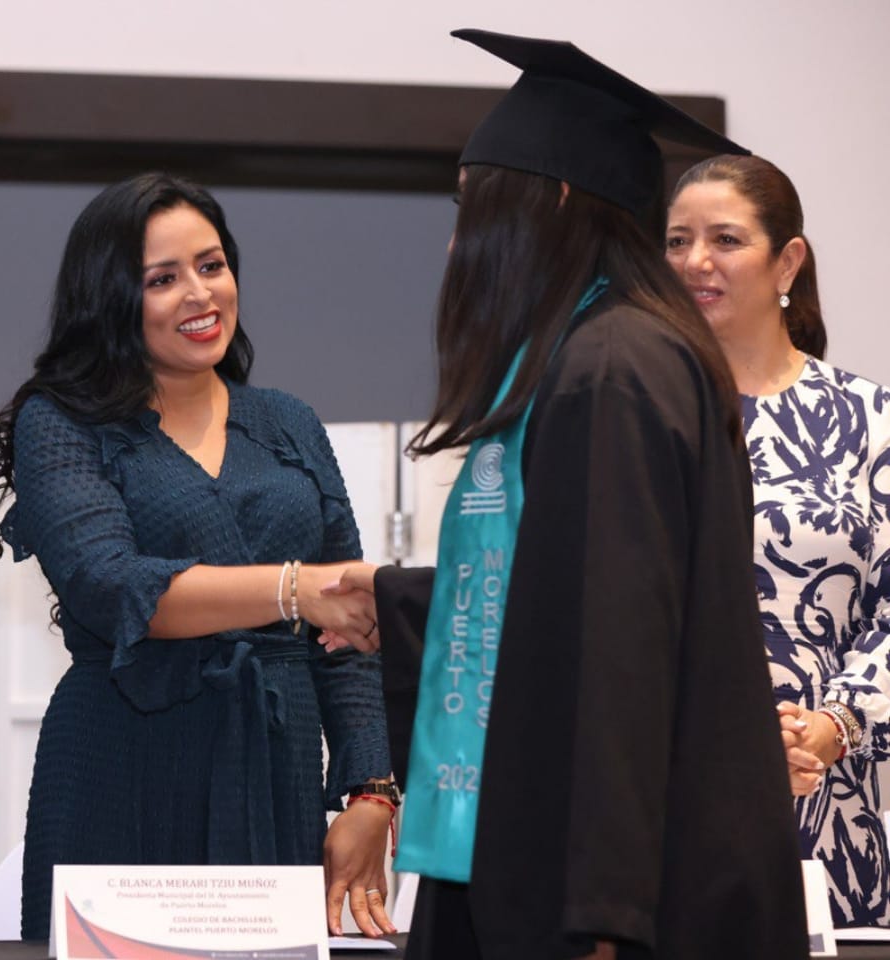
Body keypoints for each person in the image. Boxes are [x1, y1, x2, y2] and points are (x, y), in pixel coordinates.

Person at [325, 30, 808, 959]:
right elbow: (556, 596)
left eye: (476, 206)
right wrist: (392, 601)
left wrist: (601, 920)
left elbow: (619, 662)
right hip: (595, 873)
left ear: (547, 201)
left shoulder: (610, 370)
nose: (463, 239)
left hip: (605, 901)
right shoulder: (604, 354)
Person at [0, 172, 397, 941]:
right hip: (121, 760)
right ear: (109, 298)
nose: (199, 295)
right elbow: (110, 586)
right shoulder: (60, 423)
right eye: (161, 279)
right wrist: (293, 589)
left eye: (211, 265)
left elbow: (351, 635)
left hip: (274, 765)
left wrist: (372, 793)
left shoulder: (287, 422)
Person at [666, 153, 890, 927]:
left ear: (785, 259)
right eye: (675, 241)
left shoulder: (869, 417)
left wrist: (830, 726)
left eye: (724, 239)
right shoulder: (643, 412)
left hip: (840, 792)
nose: (695, 260)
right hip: (679, 786)